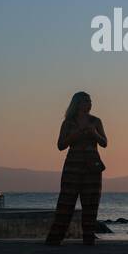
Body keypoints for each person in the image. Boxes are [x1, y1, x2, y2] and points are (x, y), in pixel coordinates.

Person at [46, 92, 108, 245]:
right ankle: (55, 238)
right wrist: (76, 134)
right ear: (77, 104)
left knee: (91, 203)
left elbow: (104, 142)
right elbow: (61, 145)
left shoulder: (96, 121)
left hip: (92, 167)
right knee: (66, 202)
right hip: (73, 166)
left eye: (90, 101)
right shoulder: (68, 122)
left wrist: (94, 133)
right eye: (86, 101)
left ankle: (88, 238)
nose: (89, 104)